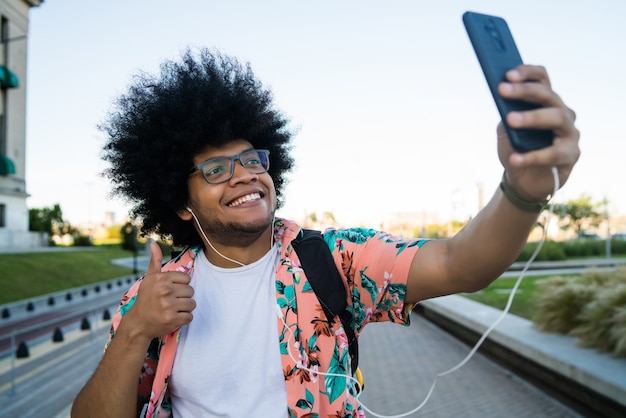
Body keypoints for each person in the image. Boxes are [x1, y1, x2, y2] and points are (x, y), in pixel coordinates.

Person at [71, 48, 579, 418]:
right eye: (217, 170)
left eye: (253, 160)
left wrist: (520, 190)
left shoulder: (333, 258)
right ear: (180, 204)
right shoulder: (151, 299)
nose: (245, 174)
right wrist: (136, 330)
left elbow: (459, 263)